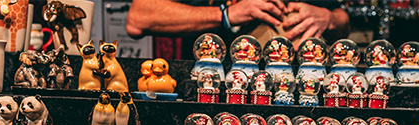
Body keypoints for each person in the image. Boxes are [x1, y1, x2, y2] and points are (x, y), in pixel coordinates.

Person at [126, 0, 350, 49]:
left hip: (298, 99)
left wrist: (329, 18)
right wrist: (225, 14)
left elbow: (344, 21)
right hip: (216, 98)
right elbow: (139, 18)